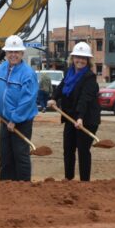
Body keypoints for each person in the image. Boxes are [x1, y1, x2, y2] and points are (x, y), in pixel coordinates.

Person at [0, 35, 38, 181]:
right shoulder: (1, 68)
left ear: (22, 53)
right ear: (5, 53)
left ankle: (23, 187)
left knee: (20, 155)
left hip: (22, 121)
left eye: (16, 52)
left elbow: (27, 101)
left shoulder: (28, 74)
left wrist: (15, 119)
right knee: (5, 156)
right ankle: (6, 187)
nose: (13, 55)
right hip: (4, 119)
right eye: (10, 52)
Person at [47, 42, 100, 181]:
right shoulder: (69, 73)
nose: (80, 60)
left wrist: (81, 117)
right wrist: (53, 98)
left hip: (87, 119)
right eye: (77, 57)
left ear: (88, 60)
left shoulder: (89, 78)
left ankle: (84, 182)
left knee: (83, 150)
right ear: (73, 58)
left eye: (83, 58)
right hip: (71, 117)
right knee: (68, 149)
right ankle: (68, 179)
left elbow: (85, 99)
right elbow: (61, 87)